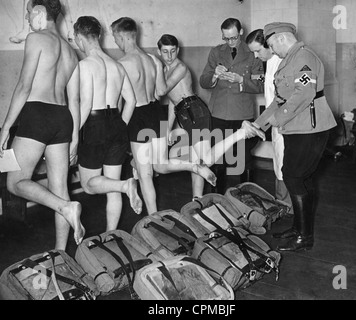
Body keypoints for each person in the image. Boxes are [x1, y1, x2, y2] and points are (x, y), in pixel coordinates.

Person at [110, 17, 217, 215]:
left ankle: (154, 218)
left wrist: (117, 126)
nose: (115, 42)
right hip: (156, 111)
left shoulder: (121, 64)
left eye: (115, 38)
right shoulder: (153, 61)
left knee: (146, 174)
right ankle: (193, 166)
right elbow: (160, 92)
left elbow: (121, 100)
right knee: (160, 164)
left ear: (121, 36)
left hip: (139, 113)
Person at [0, 0, 84, 249]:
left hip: (37, 113)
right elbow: (75, 99)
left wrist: (6, 127)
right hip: (63, 118)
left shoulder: (36, 39)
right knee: (60, 188)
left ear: (39, 12)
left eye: (28, 14)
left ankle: (66, 208)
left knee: (15, 183)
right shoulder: (72, 52)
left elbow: (24, 86)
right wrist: (75, 140)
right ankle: (62, 252)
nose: (27, 19)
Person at [253, 22, 337, 251]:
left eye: (271, 45)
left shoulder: (304, 58)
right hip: (297, 129)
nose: (272, 50)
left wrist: (277, 119)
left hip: (310, 129)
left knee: (293, 175)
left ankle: (305, 237)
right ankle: (299, 229)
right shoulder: (288, 61)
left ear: (281, 38)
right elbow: (279, 98)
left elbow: (305, 93)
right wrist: (257, 123)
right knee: (301, 178)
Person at [152, 34, 265, 199]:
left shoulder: (179, 68)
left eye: (173, 51)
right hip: (183, 113)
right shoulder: (165, 70)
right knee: (199, 159)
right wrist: (169, 128)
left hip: (195, 112)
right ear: (159, 51)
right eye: (165, 52)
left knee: (205, 159)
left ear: (178, 50)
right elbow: (172, 101)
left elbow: (160, 92)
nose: (169, 56)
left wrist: (154, 64)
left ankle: (241, 132)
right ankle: (197, 200)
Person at [73, 16, 143, 232]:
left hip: (93, 124)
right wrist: (119, 124)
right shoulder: (117, 66)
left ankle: (125, 185)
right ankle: (112, 235)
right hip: (116, 122)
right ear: (100, 36)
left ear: (79, 38)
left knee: (88, 184)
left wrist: (74, 137)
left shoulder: (84, 65)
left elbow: (84, 105)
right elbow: (131, 101)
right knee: (111, 188)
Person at [199, 18, 265, 193]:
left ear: (241, 32)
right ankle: (217, 199)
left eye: (233, 38)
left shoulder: (253, 52)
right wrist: (214, 75)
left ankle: (247, 198)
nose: (230, 42)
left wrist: (241, 80)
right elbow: (203, 81)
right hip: (218, 112)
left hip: (242, 114)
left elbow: (260, 85)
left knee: (244, 160)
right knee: (217, 159)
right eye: (226, 38)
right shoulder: (216, 52)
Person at [246, 29, 293, 213]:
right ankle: (283, 205)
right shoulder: (270, 62)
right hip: (275, 122)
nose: (256, 56)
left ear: (269, 46)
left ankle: (286, 207)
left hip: (284, 123)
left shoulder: (281, 63)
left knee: (283, 166)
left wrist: (258, 124)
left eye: (258, 51)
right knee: (278, 165)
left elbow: (279, 101)